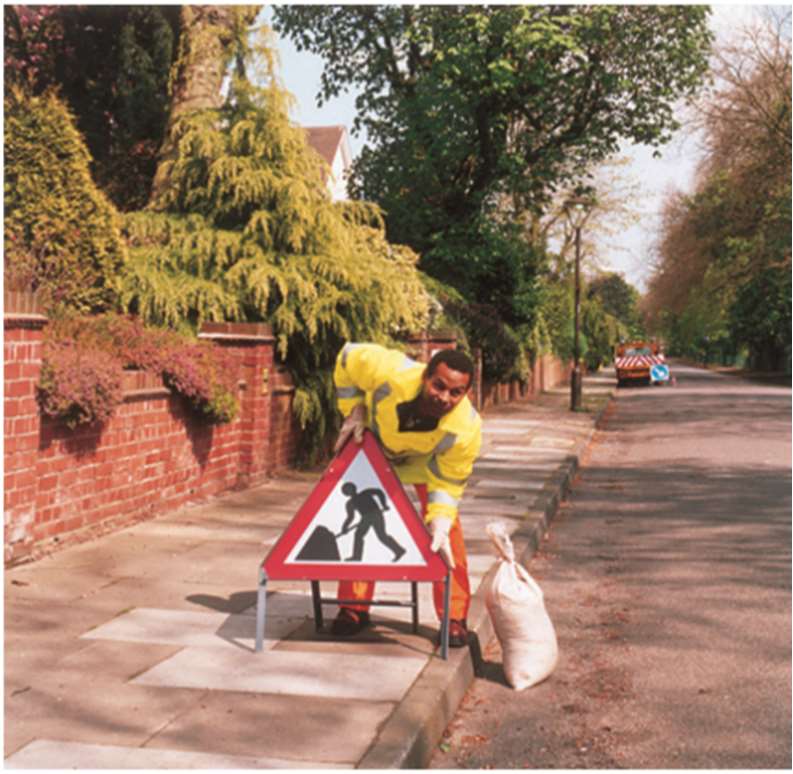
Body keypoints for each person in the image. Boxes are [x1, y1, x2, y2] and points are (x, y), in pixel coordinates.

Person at [331, 342, 481, 647]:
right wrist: (354, 409)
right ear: (425, 376)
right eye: (438, 386)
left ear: (466, 394)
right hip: (377, 449)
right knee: (364, 527)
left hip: (425, 465)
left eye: (456, 393)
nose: (444, 398)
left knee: (447, 533)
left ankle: (453, 616)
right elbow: (346, 357)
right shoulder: (390, 370)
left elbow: (449, 480)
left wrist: (438, 519)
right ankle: (353, 606)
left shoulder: (466, 428)